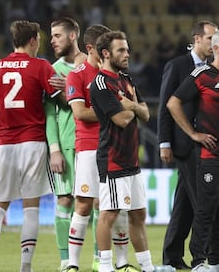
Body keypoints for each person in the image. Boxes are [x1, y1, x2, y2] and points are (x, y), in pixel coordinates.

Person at [167, 27, 219, 272]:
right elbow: (173, 103)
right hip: (209, 155)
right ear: (215, 48)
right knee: (206, 210)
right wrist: (193, 133)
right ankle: (198, 262)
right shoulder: (201, 74)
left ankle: (215, 261)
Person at [0, 20, 62, 272]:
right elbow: (62, 99)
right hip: (33, 142)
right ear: (32, 40)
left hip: (5, 144)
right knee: (30, 206)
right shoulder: (41, 67)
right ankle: (25, 266)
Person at [62, 24, 132, 272]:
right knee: (83, 203)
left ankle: (122, 263)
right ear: (93, 49)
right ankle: (72, 264)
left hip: (116, 146)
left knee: (117, 205)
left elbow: (132, 109)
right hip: (89, 147)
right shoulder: (77, 75)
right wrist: (112, 112)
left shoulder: (118, 76)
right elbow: (79, 112)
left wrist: (118, 112)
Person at [89, 31, 156, 272]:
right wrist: (132, 108)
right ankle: (106, 266)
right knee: (109, 214)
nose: (127, 54)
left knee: (138, 215)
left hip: (131, 160)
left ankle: (147, 267)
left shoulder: (127, 79)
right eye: (121, 50)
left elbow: (146, 114)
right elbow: (121, 119)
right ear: (106, 53)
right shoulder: (100, 83)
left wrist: (131, 105)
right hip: (113, 159)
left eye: (127, 49)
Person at [46, 17, 88, 271]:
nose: (52, 41)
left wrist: (72, 84)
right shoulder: (52, 70)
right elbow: (49, 114)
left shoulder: (91, 65)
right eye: (51, 37)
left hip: (91, 143)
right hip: (65, 144)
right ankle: (65, 260)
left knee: (93, 202)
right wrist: (54, 150)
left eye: (57, 36)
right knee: (64, 200)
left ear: (73, 36)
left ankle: (97, 258)